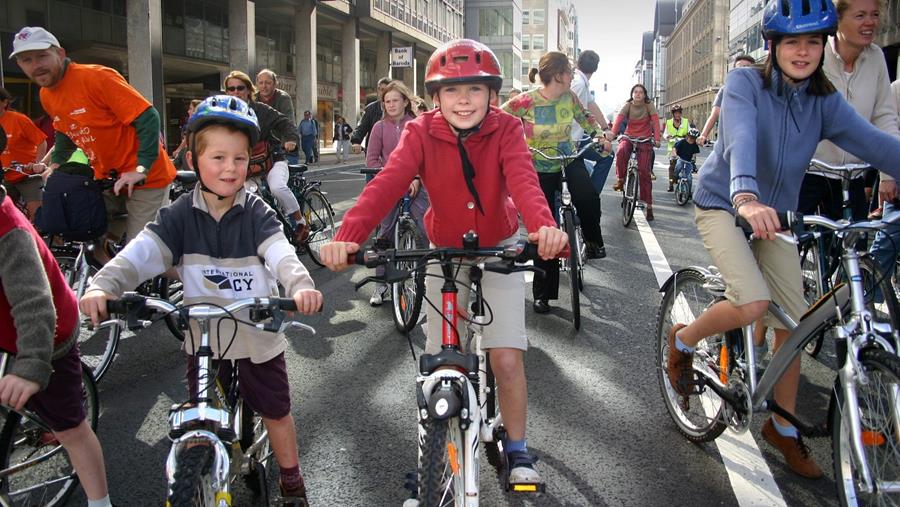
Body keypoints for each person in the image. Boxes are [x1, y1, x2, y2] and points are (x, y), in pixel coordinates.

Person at [665, 0, 900, 479]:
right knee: (752, 302)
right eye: (792, 41)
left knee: (797, 323)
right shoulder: (745, 82)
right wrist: (746, 194)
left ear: (824, 45)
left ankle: (783, 428)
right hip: (725, 204)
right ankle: (684, 340)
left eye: (813, 41)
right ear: (772, 45)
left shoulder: (824, 100)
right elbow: (742, 138)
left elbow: (877, 143)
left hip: (782, 215)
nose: (803, 51)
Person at [318, 39, 567, 488]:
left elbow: (525, 183)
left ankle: (516, 447)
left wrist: (543, 228)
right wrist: (346, 238)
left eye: (475, 89)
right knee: (437, 359)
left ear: (492, 95)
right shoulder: (419, 132)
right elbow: (386, 185)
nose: (464, 100)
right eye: (452, 91)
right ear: (434, 98)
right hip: (444, 248)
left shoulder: (508, 129)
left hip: (500, 244)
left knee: (506, 357)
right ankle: (433, 450)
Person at [78, 95, 323, 501]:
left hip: (255, 332)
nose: (230, 169)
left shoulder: (257, 212)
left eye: (240, 159)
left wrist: (299, 286)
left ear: (251, 162)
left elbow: (280, 253)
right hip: (204, 335)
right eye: (219, 158)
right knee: (201, 411)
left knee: (276, 411)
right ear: (193, 159)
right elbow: (142, 253)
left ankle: (291, 479)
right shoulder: (178, 214)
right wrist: (104, 284)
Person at [10, 26, 176, 251]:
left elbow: (148, 117)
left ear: (60, 54)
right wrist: (56, 163)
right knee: (88, 239)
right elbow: (65, 130)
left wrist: (141, 168)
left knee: (141, 254)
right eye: (26, 60)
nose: (35, 65)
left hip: (147, 179)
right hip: (106, 179)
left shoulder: (96, 77)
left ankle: (184, 276)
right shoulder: (46, 94)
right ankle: (110, 284)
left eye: (42, 56)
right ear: (19, 65)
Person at [0, 184, 114, 506]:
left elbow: (35, 305)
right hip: (7, 329)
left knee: (71, 429)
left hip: (47, 337)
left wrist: (31, 367)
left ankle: (100, 502)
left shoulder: (8, 229)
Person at [502, 51, 608, 315]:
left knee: (587, 195)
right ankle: (543, 295)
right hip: (537, 167)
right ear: (558, 75)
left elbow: (587, 120)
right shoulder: (526, 101)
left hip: (567, 159)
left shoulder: (570, 97)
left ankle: (594, 242)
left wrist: (601, 136)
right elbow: (498, 119)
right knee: (544, 229)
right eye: (569, 71)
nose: (573, 75)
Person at [364, 80, 429, 306]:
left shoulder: (417, 124)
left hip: (415, 185)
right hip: (389, 184)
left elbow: (424, 158)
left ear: (405, 102)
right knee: (384, 234)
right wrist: (388, 177)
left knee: (424, 226)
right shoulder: (379, 128)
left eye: (395, 100)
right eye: (387, 101)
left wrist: (417, 177)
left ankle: (422, 276)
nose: (391, 104)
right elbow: (372, 159)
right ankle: (381, 283)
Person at [223, 70, 308, 242]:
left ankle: (300, 222)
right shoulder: (224, 114)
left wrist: (290, 139)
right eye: (231, 89)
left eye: (240, 88)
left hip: (272, 159)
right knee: (241, 197)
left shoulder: (261, 110)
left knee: (277, 187)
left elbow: (285, 123)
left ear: (248, 90)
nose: (236, 92)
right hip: (245, 166)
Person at [611, 84, 660, 220]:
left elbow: (655, 122)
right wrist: (612, 134)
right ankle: (621, 180)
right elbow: (618, 120)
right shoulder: (628, 105)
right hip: (629, 137)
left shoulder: (649, 105)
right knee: (621, 150)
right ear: (632, 94)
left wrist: (656, 139)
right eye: (635, 92)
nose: (638, 94)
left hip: (644, 139)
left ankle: (649, 206)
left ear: (644, 95)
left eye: (641, 92)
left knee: (644, 172)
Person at [570, 50, 615, 193]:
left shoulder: (581, 82)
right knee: (607, 155)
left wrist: (606, 128)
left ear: (578, 63)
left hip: (575, 137)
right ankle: (592, 196)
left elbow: (592, 105)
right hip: (571, 140)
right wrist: (602, 132)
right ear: (595, 68)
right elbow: (580, 111)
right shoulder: (578, 84)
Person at [0, 87, 47, 219]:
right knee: (4, 217)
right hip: (5, 177)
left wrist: (38, 163)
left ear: (4, 102)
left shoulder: (18, 119)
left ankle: (39, 237)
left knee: (38, 216)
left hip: (27, 174)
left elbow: (41, 142)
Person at [697, 54, 757, 147]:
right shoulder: (725, 90)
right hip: (727, 142)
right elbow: (714, 115)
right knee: (712, 161)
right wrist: (703, 135)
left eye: (747, 68)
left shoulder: (760, 90)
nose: (743, 71)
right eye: (739, 68)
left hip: (754, 141)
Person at [350, 77, 393, 153]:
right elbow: (361, 127)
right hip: (374, 151)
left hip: (392, 152)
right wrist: (356, 141)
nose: (382, 92)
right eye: (380, 89)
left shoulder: (397, 107)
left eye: (385, 90)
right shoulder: (371, 108)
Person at [664, 104, 691, 192]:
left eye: (679, 113)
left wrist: (689, 136)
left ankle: (688, 188)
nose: (677, 115)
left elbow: (690, 132)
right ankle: (671, 184)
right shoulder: (669, 122)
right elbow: (665, 134)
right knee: (672, 167)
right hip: (673, 148)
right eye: (676, 113)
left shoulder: (686, 122)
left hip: (684, 147)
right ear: (673, 114)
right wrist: (667, 136)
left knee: (687, 166)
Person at [170, 99, 203, 169]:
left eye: (191, 109)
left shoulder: (196, 124)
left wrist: (178, 150)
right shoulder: (192, 123)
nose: (188, 111)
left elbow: (186, 140)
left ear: (196, 110)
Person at [672, 127, 701, 196]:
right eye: (691, 137)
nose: (692, 139)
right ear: (687, 136)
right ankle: (675, 178)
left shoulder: (695, 146)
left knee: (689, 179)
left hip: (688, 162)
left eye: (694, 138)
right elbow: (674, 148)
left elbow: (694, 154)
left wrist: (693, 161)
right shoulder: (682, 142)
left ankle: (689, 192)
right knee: (678, 166)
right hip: (680, 159)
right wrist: (675, 156)